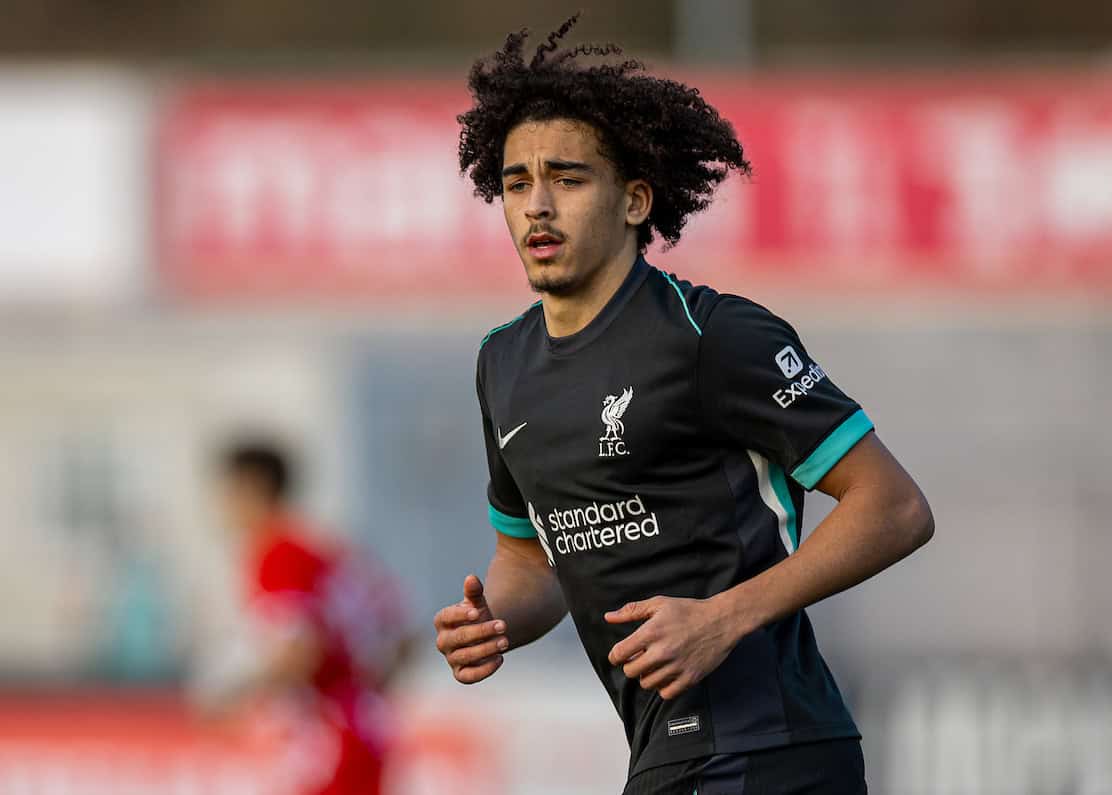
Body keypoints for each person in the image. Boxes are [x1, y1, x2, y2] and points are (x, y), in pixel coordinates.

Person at [434, 16, 935, 795]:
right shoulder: (501, 363)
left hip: (771, 746)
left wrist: (723, 617)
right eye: (516, 182)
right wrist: (493, 620)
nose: (537, 205)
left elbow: (895, 507)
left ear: (636, 200)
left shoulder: (713, 335)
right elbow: (530, 561)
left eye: (567, 179)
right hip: (668, 755)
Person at [198, 440, 413, 795]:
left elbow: (300, 651)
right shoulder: (327, 550)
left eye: (227, 493)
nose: (221, 507)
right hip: (364, 732)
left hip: (326, 742)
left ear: (252, 487)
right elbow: (403, 636)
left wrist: (232, 695)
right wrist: (363, 692)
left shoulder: (276, 553)